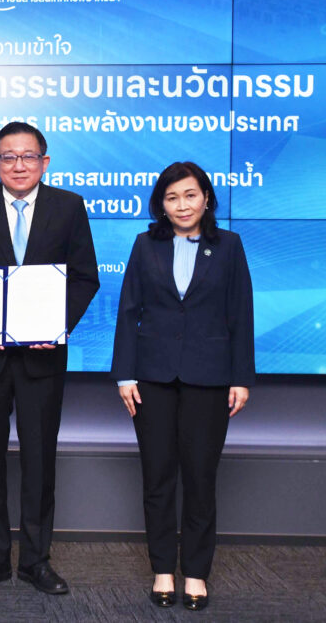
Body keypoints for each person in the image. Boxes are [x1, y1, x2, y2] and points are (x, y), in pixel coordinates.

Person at [0, 122, 99, 595]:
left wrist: (57, 326)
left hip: (42, 360)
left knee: (40, 462)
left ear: (44, 163)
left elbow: (85, 277)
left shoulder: (69, 206)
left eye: (29, 156)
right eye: (9, 157)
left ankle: (35, 561)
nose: (19, 165)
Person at [110, 161, 254, 611]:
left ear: (206, 198)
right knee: (157, 477)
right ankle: (162, 570)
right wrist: (124, 374)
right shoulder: (145, 244)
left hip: (209, 378)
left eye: (190, 195)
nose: (182, 205)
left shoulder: (228, 245)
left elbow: (241, 313)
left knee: (200, 478)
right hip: (151, 378)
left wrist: (241, 378)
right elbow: (128, 310)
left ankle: (195, 573)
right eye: (172, 198)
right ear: (161, 204)